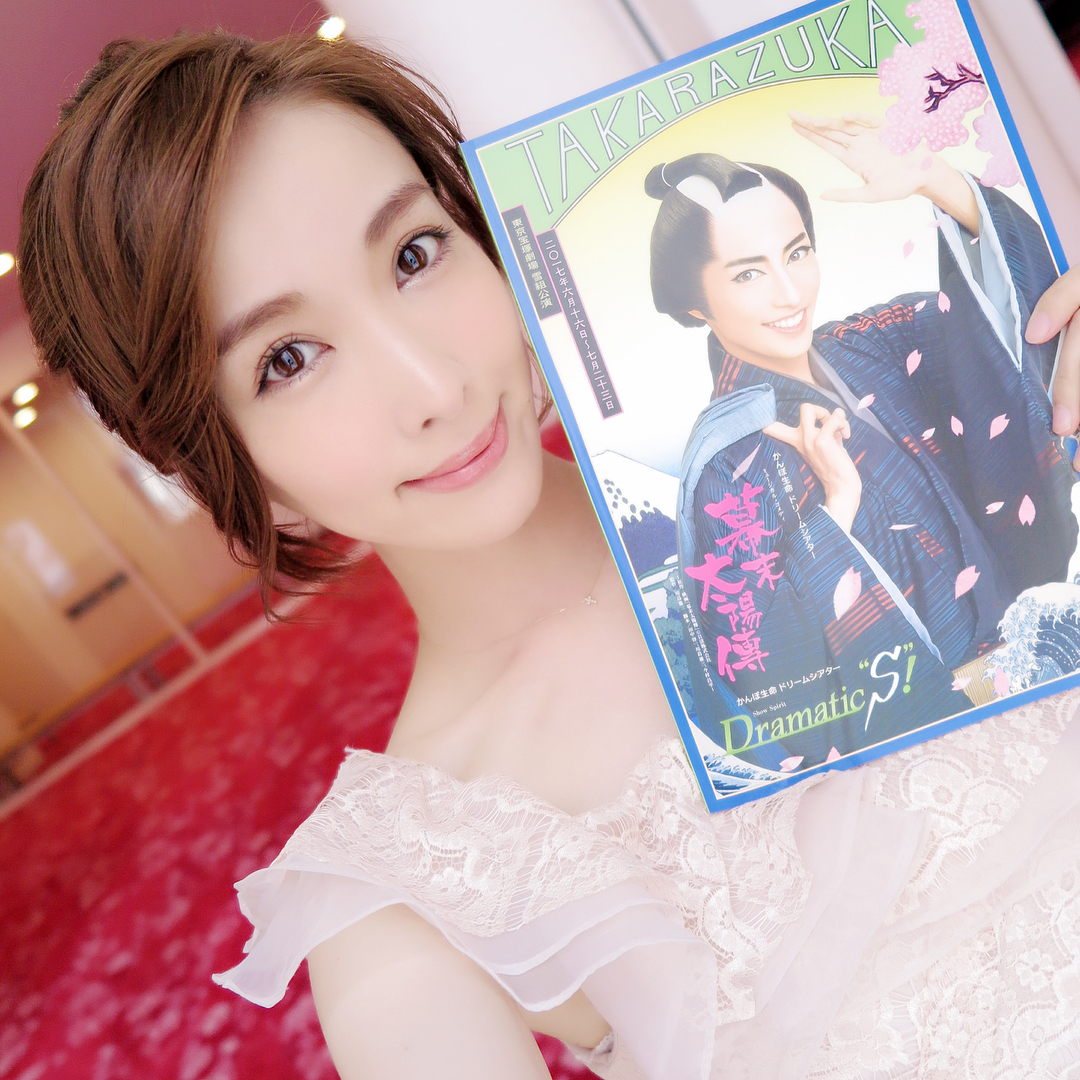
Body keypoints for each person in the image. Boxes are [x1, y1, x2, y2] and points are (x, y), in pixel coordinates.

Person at [18, 32, 1080, 1080]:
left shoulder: (847, 406)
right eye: (287, 359)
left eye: (414, 254)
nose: (432, 386)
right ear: (219, 462)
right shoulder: (415, 900)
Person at [646, 121, 1078, 769]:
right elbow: (774, 686)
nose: (790, 292)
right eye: (748, 273)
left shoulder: (867, 344)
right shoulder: (725, 470)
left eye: (796, 253)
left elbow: (993, 329)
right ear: (693, 305)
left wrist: (939, 181)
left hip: (1048, 663)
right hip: (945, 751)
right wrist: (834, 516)